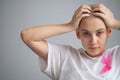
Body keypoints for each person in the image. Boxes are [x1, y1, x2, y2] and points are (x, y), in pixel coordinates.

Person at [21, 3, 120, 80]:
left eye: (99, 33)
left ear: (109, 32)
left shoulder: (117, 57)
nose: (93, 41)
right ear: (78, 34)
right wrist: (69, 26)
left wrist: (115, 23)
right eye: (86, 33)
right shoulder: (65, 57)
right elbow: (27, 36)